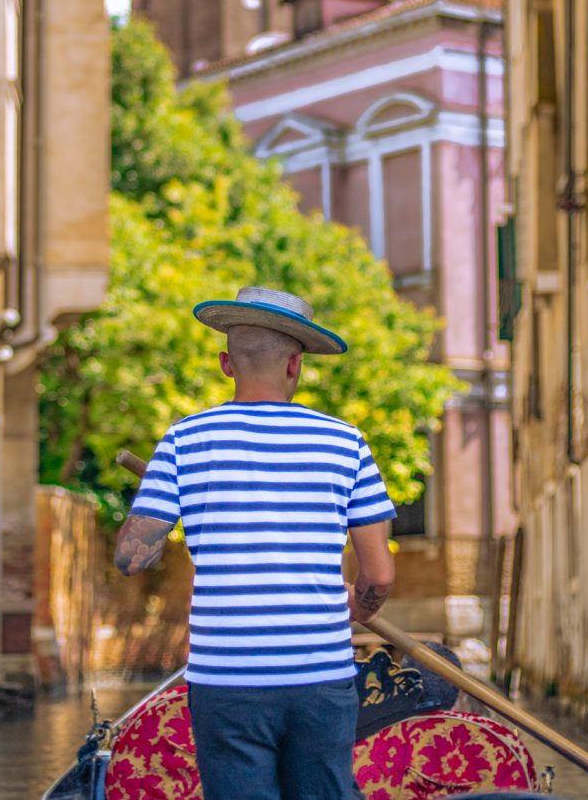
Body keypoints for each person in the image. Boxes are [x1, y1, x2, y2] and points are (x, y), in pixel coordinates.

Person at [115, 286, 397, 800]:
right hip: (320, 671)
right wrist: (354, 608)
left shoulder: (183, 440)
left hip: (226, 679)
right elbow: (378, 576)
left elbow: (132, 556)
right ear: (296, 365)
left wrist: (158, 497)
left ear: (227, 363)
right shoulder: (346, 441)